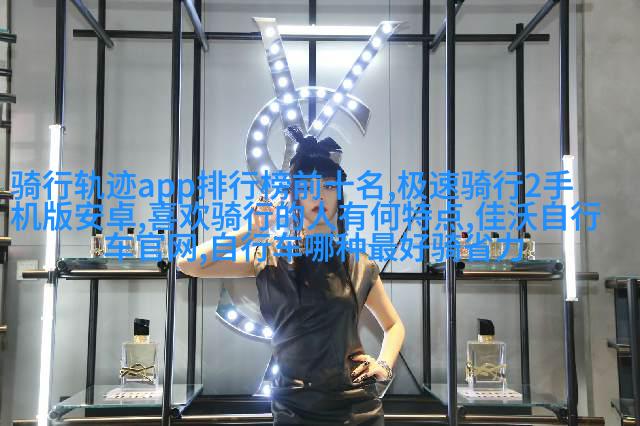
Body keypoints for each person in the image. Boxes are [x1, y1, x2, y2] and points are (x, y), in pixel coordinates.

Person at [177, 126, 405, 425]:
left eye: (328, 186)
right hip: (293, 406)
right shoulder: (270, 257)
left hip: (356, 407)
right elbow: (189, 263)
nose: (319, 195)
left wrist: (384, 366)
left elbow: (393, 325)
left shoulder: (358, 264)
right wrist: (249, 231)